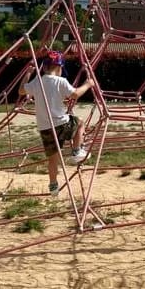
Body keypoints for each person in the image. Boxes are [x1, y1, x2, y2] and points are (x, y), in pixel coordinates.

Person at [19, 50, 95, 197]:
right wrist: (87, 84)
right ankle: (76, 150)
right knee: (80, 123)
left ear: (44, 67)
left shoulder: (37, 81)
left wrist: (28, 74)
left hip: (45, 128)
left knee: (53, 159)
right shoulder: (61, 81)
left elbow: (21, 91)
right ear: (60, 68)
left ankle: (53, 186)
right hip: (61, 124)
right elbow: (75, 94)